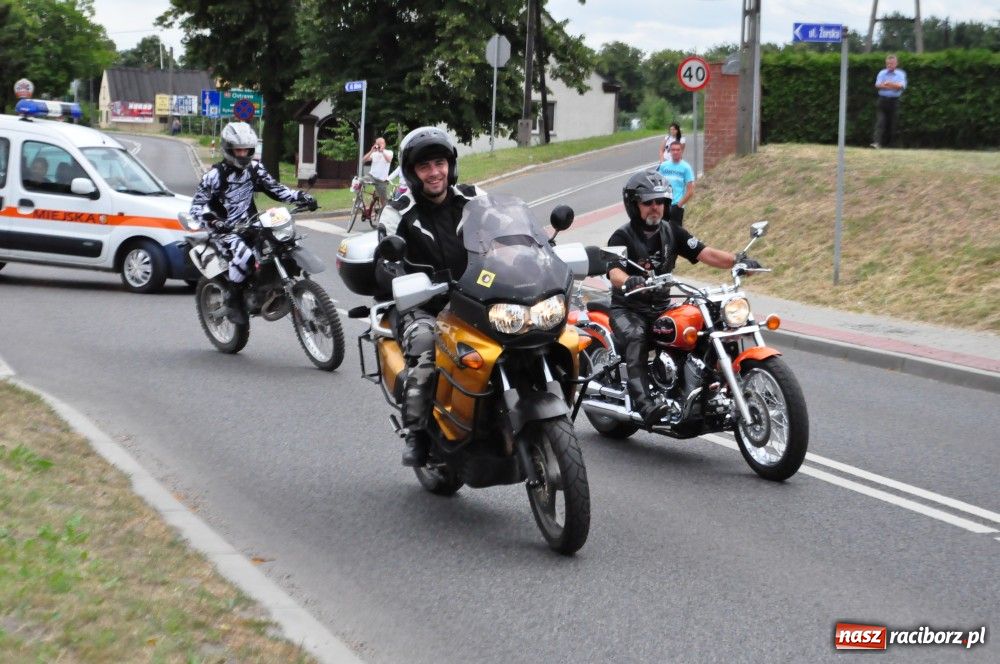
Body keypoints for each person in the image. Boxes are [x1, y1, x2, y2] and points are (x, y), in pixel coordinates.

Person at [606, 169, 760, 425]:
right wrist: (629, 280)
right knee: (636, 337)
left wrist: (738, 261)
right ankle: (645, 405)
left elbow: (706, 253)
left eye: (660, 201)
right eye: (648, 202)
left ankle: (709, 387)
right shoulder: (621, 236)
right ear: (634, 205)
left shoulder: (673, 231)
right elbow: (614, 271)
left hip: (662, 305)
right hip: (629, 309)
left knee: (704, 327)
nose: (655, 207)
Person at [377, 126, 485, 466]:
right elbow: (385, 262)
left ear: (451, 165)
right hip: (422, 305)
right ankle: (418, 432)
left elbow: (509, 233)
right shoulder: (398, 211)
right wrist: (399, 279)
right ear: (412, 172)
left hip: (476, 297)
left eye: (439, 163)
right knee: (426, 346)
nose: (434, 172)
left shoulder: (473, 198)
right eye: (424, 166)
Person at [189, 122, 316, 316]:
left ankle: (277, 288)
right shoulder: (213, 176)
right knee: (245, 257)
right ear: (228, 149)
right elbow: (197, 207)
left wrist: (302, 196)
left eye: (246, 150)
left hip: (252, 223)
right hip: (225, 229)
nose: (243, 154)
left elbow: (276, 189)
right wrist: (214, 221)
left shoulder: (255, 169)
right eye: (238, 150)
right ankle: (233, 302)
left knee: (283, 243)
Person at [871, 54, 907, 149]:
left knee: (893, 123)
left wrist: (888, 84)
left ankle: (892, 145)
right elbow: (878, 85)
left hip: (894, 101)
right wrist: (894, 86)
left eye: (891, 63)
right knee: (880, 122)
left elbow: (901, 86)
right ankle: (877, 143)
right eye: (888, 64)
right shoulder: (882, 73)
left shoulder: (901, 74)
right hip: (882, 100)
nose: (889, 65)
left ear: (896, 63)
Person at [657, 141, 695, 226]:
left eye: (678, 150)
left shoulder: (686, 168)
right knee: (661, 231)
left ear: (681, 151)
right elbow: (657, 183)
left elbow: (690, 191)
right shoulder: (663, 166)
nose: (675, 152)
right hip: (663, 205)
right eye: (673, 150)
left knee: (675, 232)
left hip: (676, 206)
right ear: (670, 151)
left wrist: (679, 205)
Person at [363, 136, 394, 207]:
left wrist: (382, 151)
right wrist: (371, 151)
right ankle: (360, 201)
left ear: (384, 144)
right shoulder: (374, 153)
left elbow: (389, 160)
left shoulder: (389, 152)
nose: (379, 145)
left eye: (380, 143)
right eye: (377, 144)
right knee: (359, 181)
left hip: (381, 180)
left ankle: (383, 212)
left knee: (384, 201)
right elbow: (363, 160)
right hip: (371, 176)